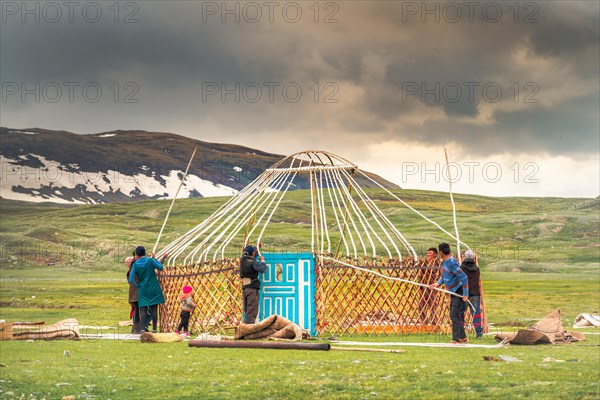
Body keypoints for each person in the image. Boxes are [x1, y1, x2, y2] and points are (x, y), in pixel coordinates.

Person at [429, 243, 469, 344]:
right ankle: (463, 337)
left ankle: (456, 339)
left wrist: (465, 294)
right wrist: (437, 283)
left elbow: (464, 277)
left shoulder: (452, 262)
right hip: (453, 291)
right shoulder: (444, 262)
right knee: (454, 314)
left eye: (439, 251)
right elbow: (445, 276)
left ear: (441, 252)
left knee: (453, 315)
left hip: (458, 290)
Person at [128, 246, 166, 333]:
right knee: (154, 309)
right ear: (145, 252)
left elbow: (131, 279)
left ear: (137, 254)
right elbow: (160, 267)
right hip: (153, 287)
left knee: (143, 309)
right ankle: (154, 329)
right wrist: (154, 258)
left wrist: (138, 286)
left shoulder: (136, 264)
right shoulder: (150, 260)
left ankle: (142, 329)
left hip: (142, 288)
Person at [239, 245, 267, 324]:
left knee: (247, 310)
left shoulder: (242, 260)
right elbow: (263, 269)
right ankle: (248, 330)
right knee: (252, 311)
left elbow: (252, 253)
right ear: (253, 253)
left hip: (245, 289)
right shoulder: (253, 262)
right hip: (252, 289)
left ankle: (245, 328)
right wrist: (262, 261)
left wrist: (258, 248)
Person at [460, 249, 483, 338]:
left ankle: (461, 333)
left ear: (464, 257)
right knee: (476, 313)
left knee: (461, 312)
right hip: (475, 294)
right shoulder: (477, 269)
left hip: (464, 294)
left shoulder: (462, 268)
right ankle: (479, 333)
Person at [125, 252, 141, 334]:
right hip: (136, 293)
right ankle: (137, 329)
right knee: (139, 310)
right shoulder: (136, 264)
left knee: (137, 310)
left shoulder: (133, 267)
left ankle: (135, 329)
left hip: (134, 294)